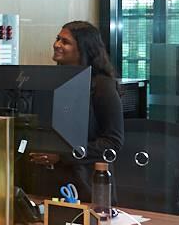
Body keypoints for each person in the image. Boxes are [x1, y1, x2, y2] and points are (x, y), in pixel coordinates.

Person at [28, 20, 124, 202]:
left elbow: (112, 142)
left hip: (86, 184)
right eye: (57, 39)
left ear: (83, 49)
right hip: (48, 183)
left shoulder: (102, 86)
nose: (57, 45)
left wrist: (62, 155)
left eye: (65, 42)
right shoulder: (51, 81)